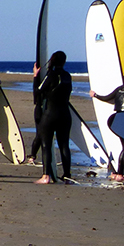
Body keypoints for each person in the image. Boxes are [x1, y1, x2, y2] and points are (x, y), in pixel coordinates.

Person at [34, 51, 73, 184]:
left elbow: (38, 91)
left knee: (46, 145)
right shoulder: (68, 76)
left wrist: (35, 76)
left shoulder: (51, 75)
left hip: (50, 114)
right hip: (65, 115)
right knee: (64, 145)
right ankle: (67, 175)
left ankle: (46, 176)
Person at [25, 61, 44, 165]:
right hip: (40, 109)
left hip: (46, 109)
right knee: (40, 134)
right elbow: (36, 92)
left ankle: (34, 156)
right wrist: (35, 76)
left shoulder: (50, 78)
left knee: (43, 135)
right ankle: (32, 156)